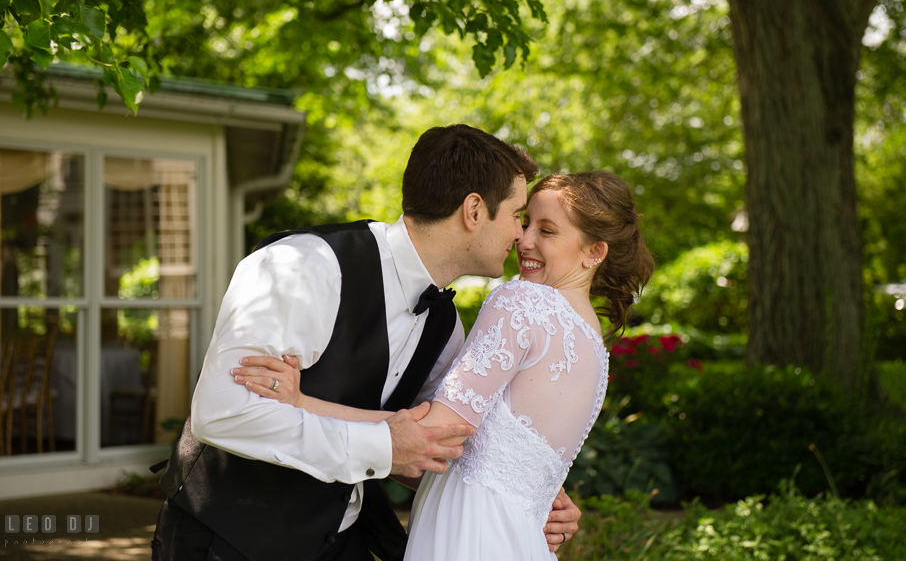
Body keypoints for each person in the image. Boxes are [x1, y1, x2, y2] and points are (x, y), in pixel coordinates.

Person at [151, 124, 581, 561]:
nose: (519, 236)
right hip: (226, 539)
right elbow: (223, 414)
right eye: (515, 216)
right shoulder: (301, 266)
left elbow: (435, 446)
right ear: (473, 211)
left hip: (343, 539)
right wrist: (385, 446)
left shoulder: (445, 326)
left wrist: (533, 497)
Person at [235, 170, 654, 559]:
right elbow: (496, 461)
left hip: (468, 532)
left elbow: (431, 436)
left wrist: (300, 401)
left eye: (546, 231)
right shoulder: (595, 348)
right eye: (524, 222)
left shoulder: (521, 303)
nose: (523, 240)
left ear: (594, 252)